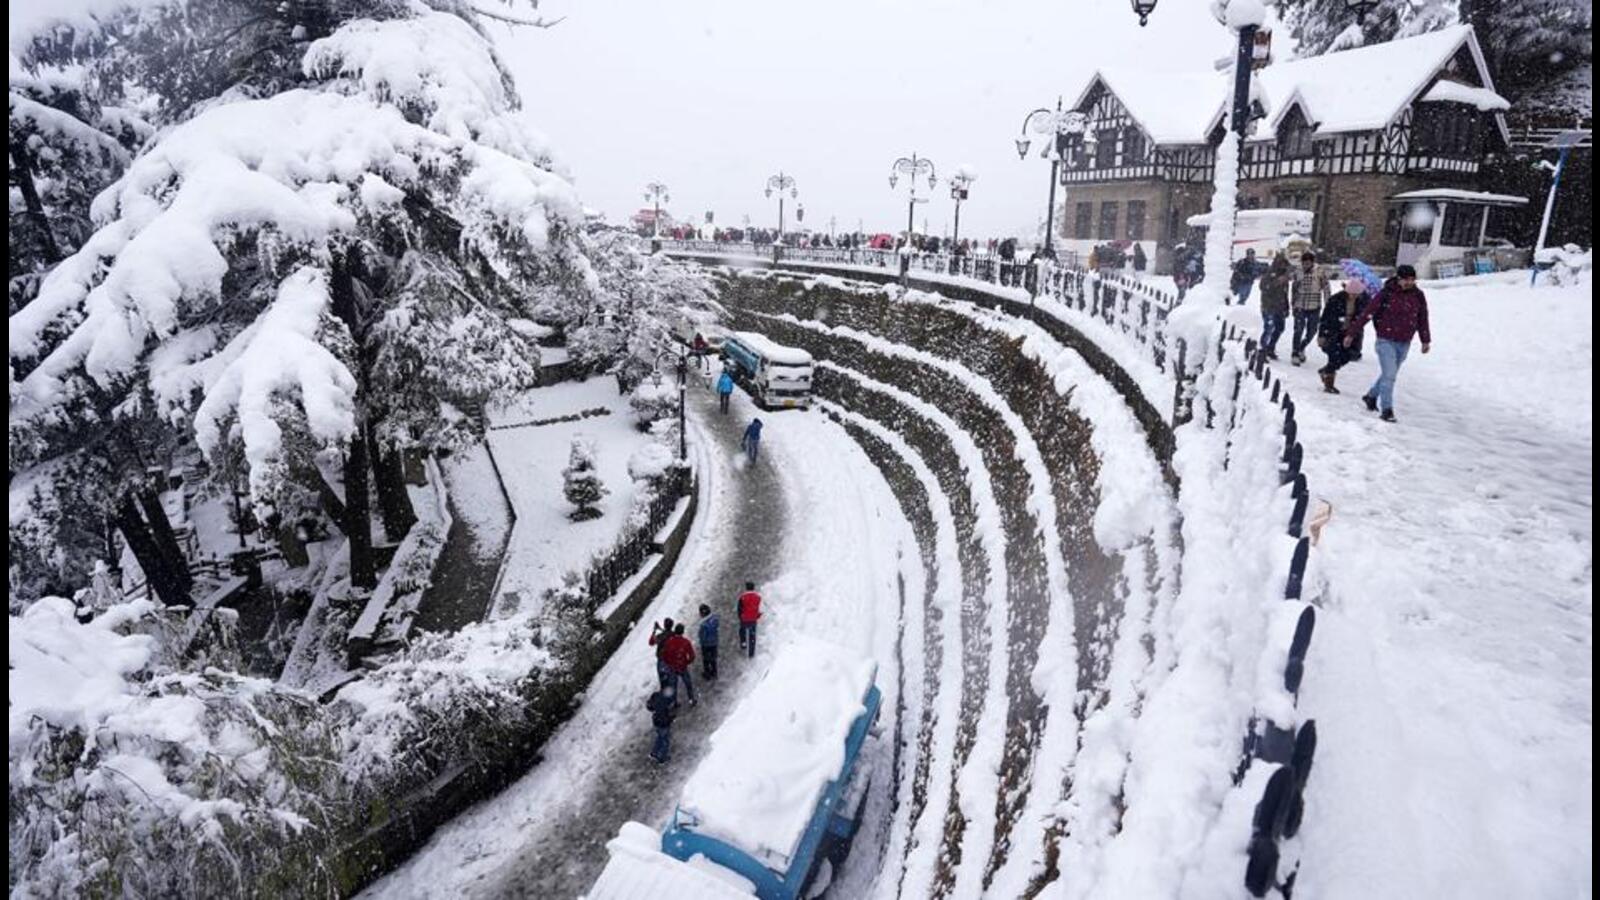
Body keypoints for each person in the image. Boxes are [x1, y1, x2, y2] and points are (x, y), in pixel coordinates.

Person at [1343, 264, 1431, 423]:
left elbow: (1422, 317)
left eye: (1412, 279)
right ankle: (1387, 410)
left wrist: (1425, 340)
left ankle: (1370, 396)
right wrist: (1351, 333)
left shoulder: (1418, 295)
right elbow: (1367, 313)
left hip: (1404, 341)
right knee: (1390, 375)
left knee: (1388, 375)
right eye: (1406, 279)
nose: (1409, 283)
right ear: (1399, 278)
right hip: (1385, 340)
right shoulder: (1386, 294)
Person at [1316, 278, 1369, 394]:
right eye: (1352, 294)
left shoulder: (1362, 301)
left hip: (1350, 333)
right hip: (1334, 331)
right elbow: (1325, 318)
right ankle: (1329, 384)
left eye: (1357, 294)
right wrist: (1322, 335)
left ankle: (1325, 371)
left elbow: (1364, 316)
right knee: (1333, 356)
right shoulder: (1335, 300)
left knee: (1348, 355)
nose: (1354, 296)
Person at [1288, 252, 1330, 365]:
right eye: (1304, 263)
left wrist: (1328, 302)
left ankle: (1302, 346)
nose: (1306, 265)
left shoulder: (1319, 271)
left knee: (1312, 331)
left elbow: (1326, 287)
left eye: (1308, 263)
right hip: (1300, 305)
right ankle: (1295, 352)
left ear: (1312, 262)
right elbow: (1294, 288)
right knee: (1298, 330)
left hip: (1314, 305)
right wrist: (1293, 304)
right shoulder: (1297, 271)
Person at [1257, 254, 1291, 360]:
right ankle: (1263, 349)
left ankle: (1271, 347)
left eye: (1285, 265)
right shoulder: (1269, 274)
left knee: (1280, 328)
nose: (1283, 267)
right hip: (1268, 306)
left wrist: (1286, 307)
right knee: (1269, 328)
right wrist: (1277, 282)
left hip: (1280, 307)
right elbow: (1263, 287)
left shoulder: (1285, 277)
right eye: (1281, 264)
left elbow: (1285, 294)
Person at [646, 689, 676, 764]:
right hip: (662, 725)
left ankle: (654, 753)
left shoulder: (656, 697)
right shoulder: (663, 705)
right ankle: (662, 757)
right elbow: (664, 719)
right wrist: (671, 719)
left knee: (659, 738)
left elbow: (650, 706)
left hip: (656, 722)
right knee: (665, 741)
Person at [648, 617, 677, 691]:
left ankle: (664, 696)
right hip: (671, 661)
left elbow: (651, 642)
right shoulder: (674, 635)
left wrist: (654, 631)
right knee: (672, 681)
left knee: (663, 682)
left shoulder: (660, 636)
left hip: (662, 661)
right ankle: (673, 700)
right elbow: (668, 633)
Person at [737, 581, 762, 658]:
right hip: (753, 619)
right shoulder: (758, 597)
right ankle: (751, 653)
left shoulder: (742, 597)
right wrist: (757, 615)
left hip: (744, 618)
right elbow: (758, 608)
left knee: (742, 631)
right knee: (752, 636)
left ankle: (743, 643)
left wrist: (740, 617)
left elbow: (739, 609)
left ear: (746, 588)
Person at [698, 603, 720, 680]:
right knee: (713, 658)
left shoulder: (703, 625)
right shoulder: (714, 620)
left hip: (706, 644)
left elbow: (702, 636)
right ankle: (714, 672)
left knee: (706, 659)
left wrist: (701, 640)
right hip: (714, 642)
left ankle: (707, 674)